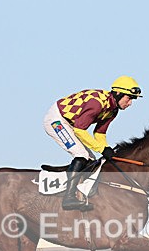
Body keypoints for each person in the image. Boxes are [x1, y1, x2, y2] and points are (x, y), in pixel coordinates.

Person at [43, 76, 142, 211]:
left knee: (91, 160)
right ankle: (68, 197)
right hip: (57, 120)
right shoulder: (97, 104)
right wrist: (102, 149)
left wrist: (106, 148)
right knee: (81, 155)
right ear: (118, 93)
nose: (130, 103)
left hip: (72, 123)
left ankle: (79, 194)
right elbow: (79, 129)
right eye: (129, 98)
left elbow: (99, 133)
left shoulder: (113, 110)